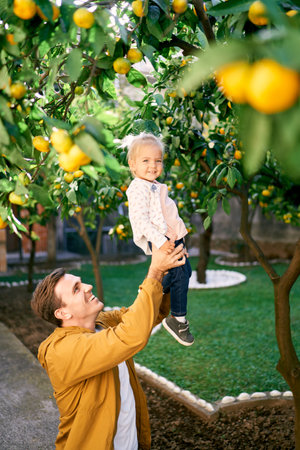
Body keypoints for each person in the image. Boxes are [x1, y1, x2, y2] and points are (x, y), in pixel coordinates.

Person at [31, 243, 186, 450]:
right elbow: (131, 335)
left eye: (81, 282)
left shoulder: (102, 323)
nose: (88, 287)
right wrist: (155, 270)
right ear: (62, 313)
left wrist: (168, 273)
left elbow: (144, 315)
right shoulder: (60, 351)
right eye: (76, 289)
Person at [123, 132, 194, 347]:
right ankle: (177, 319)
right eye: (146, 161)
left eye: (158, 160)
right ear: (132, 165)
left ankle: (152, 291)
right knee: (180, 273)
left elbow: (167, 216)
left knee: (186, 271)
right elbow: (141, 221)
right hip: (162, 239)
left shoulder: (153, 185)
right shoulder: (138, 188)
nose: (153, 165)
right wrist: (162, 242)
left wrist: (181, 242)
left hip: (172, 238)